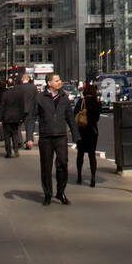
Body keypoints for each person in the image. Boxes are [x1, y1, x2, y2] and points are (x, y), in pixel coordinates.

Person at [35, 73, 80, 205]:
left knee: (63, 164)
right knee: (46, 167)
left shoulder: (64, 97)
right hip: (46, 137)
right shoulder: (40, 98)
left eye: (59, 80)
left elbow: (70, 118)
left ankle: (60, 192)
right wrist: (29, 137)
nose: (59, 82)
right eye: (57, 80)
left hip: (61, 136)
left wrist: (76, 136)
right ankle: (47, 194)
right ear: (49, 83)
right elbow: (32, 116)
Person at [75, 81, 103, 185]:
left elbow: (75, 114)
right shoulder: (97, 102)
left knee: (80, 154)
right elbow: (97, 117)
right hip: (92, 131)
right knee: (92, 155)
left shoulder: (81, 101)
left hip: (81, 130)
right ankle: (93, 178)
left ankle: (79, 177)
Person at [0, 78, 26, 157]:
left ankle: (8, 152)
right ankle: (16, 149)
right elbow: (22, 106)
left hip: (7, 117)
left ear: (7, 85)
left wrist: (1, 118)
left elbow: (2, 107)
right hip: (16, 117)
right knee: (15, 134)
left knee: (7, 135)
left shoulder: (5, 94)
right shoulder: (18, 94)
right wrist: (22, 117)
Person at [20, 73, 38, 148]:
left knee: (18, 125)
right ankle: (29, 140)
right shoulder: (33, 87)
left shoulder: (19, 87)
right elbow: (37, 99)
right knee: (30, 125)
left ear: (22, 79)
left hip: (20, 109)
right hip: (31, 109)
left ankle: (19, 141)